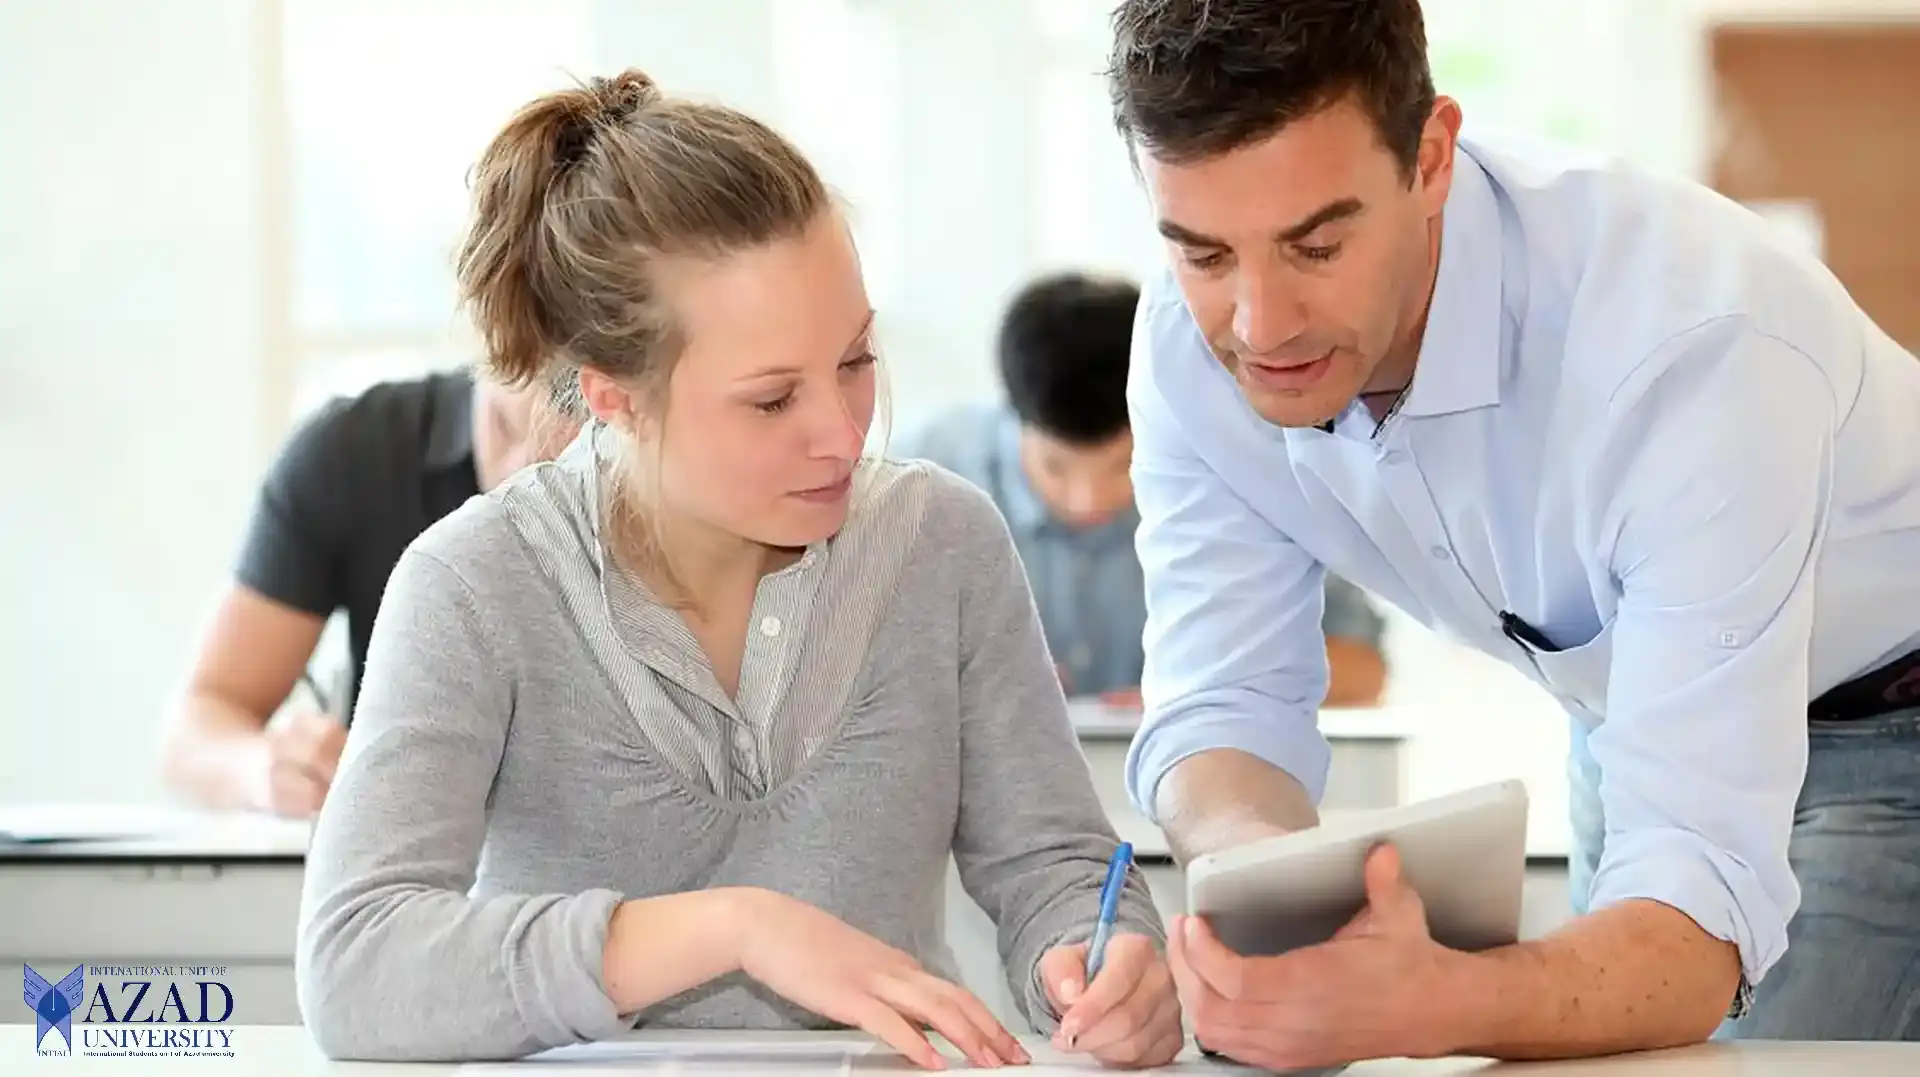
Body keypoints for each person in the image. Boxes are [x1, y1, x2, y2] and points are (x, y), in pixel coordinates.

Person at [293, 70, 1184, 1067]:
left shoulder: (944, 543)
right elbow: (355, 967)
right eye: (770, 401)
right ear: (615, 396)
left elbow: (1055, 868)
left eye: (854, 362)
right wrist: (732, 928)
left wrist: (1099, 960)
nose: (841, 437)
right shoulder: (473, 583)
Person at [1107, 0, 1920, 1068]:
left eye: (1317, 244)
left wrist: (1437, 1003)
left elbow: (1694, 914)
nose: (1260, 325)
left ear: (1433, 156)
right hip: (1632, 710)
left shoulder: (1692, 352)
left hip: (1889, 722)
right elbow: (1225, 704)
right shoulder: (1187, 350)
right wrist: (1272, 897)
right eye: (1205, 253)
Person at [900, 271, 1388, 705]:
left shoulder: (1239, 470)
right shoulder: (918, 481)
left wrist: (1218, 691)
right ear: (1015, 418)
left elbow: (1364, 667)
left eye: (1123, 466)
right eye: (1056, 467)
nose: (1086, 500)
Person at [158, 368, 579, 818]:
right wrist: (265, 768)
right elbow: (196, 726)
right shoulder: (353, 451)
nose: (528, 470)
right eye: (507, 428)